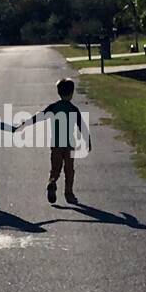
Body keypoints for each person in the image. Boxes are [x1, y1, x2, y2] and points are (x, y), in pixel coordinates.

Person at [28, 77, 90, 205]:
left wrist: (26, 123)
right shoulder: (73, 109)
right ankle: (69, 193)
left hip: (56, 144)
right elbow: (81, 126)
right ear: (72, 93)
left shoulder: (54, 107)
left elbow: (40, 116)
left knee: (55, 168)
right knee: (69, 169)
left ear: (59, 93)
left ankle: (52, 182)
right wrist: (87, 140)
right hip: (69, 145)